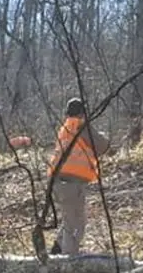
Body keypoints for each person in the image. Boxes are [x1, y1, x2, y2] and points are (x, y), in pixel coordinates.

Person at [47, 97, 110, 255]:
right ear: (83, 113)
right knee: (76, 226)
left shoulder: (65, 128)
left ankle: (56, 250)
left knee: (70, 220)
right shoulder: (82, 128)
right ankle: (68, 260)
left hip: (57, 182)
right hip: (72, 183)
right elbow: (102, 146)